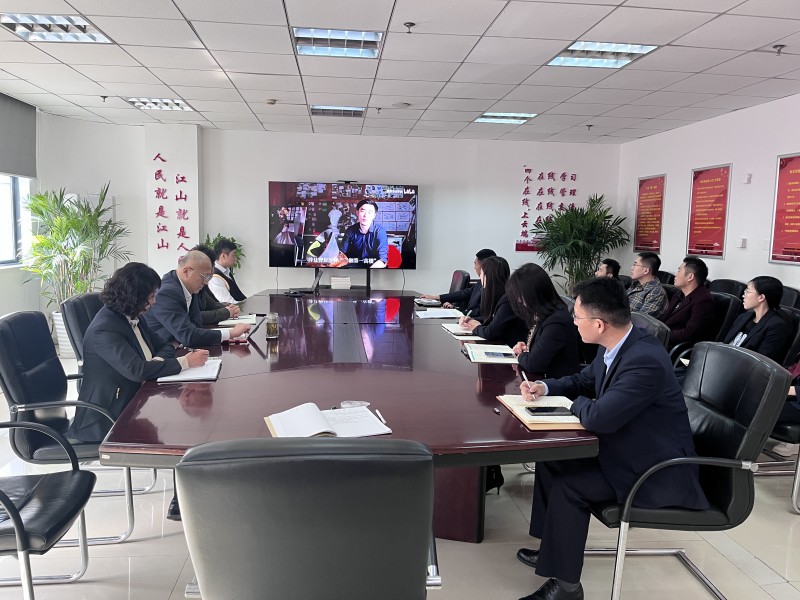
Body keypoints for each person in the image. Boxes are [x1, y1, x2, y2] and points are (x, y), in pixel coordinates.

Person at [515, 277, 708, 600]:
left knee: (570, 486)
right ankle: (552, 549)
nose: (573, 323)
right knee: (551, 460)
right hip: (629, 449)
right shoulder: (618, 344)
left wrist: (570, 404)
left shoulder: (644, 360)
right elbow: (583, 379)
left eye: (577, 317)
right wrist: (545, 387)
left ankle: (567, 588)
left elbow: (599, 417)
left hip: (655, 470)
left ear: (599, 324)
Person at [68, 263, 209, 444]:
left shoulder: (133, 317)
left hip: (134, 401)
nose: (154, 302)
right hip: (106, 419)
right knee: (177, 434)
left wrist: (155, 363)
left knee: (180, 427)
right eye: (151, 296)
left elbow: (165, 345)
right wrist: (185, 362)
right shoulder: (104, 329)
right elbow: (137, 371)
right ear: (134, 296)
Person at [143, 250, 250, 347]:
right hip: (163, 350)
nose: (206, 282)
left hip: (180, 344)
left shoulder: (190, 286)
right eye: (205, 277)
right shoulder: (167, 293)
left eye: (209, 277)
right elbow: (188, 336)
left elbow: (196, 322)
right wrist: (231, 333)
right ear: (186, 271)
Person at [506, 263, 580, 378]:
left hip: (556, 383)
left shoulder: (556, 322)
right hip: (543, 379)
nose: (520, 301)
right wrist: (527, 348)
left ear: (535, 293)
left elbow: (533, 364)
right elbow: (539, 352)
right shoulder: (544, 314)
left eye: (521, 295)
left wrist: (521, 355)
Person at [458, 256, 527, 348]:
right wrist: (471, 320)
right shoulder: (499, 294)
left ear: (487, 277)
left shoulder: (507, 300)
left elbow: (490, 333)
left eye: (481, 273)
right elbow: (493, 320)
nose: (480, 277)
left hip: (511, 349)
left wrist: (476, 327)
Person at [723, 276, 792, 363]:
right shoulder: (743, 317)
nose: (743, 295)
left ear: (761, 297)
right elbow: (725, 344)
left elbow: (761, 362)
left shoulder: (777, 326)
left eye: (748, 291)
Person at [420, 248, 496, 318]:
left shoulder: (493, 287)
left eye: (475, 264)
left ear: (483, 266)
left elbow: (480, 313)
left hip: (474, 323)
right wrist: (436, 297)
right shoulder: (480, 282)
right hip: (467, 319)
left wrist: (458, 312)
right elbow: (464, 293)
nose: (474, 267)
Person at [658, 256, 715, 345]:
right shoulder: (679, 294)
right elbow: (665, 319)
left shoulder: (703, 301)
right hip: (662, 340)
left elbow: (689, 333)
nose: (676, 274)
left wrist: (662, 334)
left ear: (690, 277)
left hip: (675, 345)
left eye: (679, 271)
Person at [193, 244, 241, 324]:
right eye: (205, 276)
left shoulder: (198, 287)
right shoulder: (173, 291)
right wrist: (227, 312)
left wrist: (230, 308)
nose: (206, 282)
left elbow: (213, 305)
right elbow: (194, 316)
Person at [340, 199, 388, 268]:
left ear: (374, 215)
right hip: (355, 267)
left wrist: (368, 272)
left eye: (369, 212)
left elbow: (382, 260)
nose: (366, 215)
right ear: (357, 213)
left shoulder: (380, 231)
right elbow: (342, 254)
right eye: (363, 211)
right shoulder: (350, 231)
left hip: (374, 268)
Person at [627, 251, 667, 317]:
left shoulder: (656, 292)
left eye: (635, 265)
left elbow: (641, 319)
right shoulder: (636, 284)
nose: (632, 268)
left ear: (646, 270)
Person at [208, 238, 247, 302]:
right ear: (224, 256)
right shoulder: (215, 277)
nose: (235, 259)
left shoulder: (226, 271)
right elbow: (228, 302)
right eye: (233, 255)